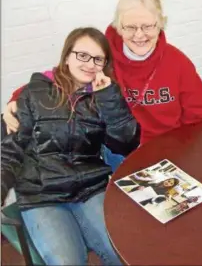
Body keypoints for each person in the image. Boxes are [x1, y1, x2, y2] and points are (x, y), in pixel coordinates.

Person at [2, 0, 202, 170]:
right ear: (119, 27)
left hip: (168, 149)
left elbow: (197, 117)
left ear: (160, 24)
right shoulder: (103, 56)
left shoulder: (178, 62)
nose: (140, 35)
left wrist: (182, 152)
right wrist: (17, 98)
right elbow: (63, 77)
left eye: (148, 26)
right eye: (130, 27)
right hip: (122, 150)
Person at [1, 27, 139, 265]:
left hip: (90, 189)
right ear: (67, 56)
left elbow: (126, 143)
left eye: (98, 59)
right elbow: (10, 150)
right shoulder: (34, 93)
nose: (89, 64)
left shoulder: (104, 94)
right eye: (82, 55)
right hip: (42, 195)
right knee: (67, 261)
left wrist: (109, 98)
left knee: (122, 251)